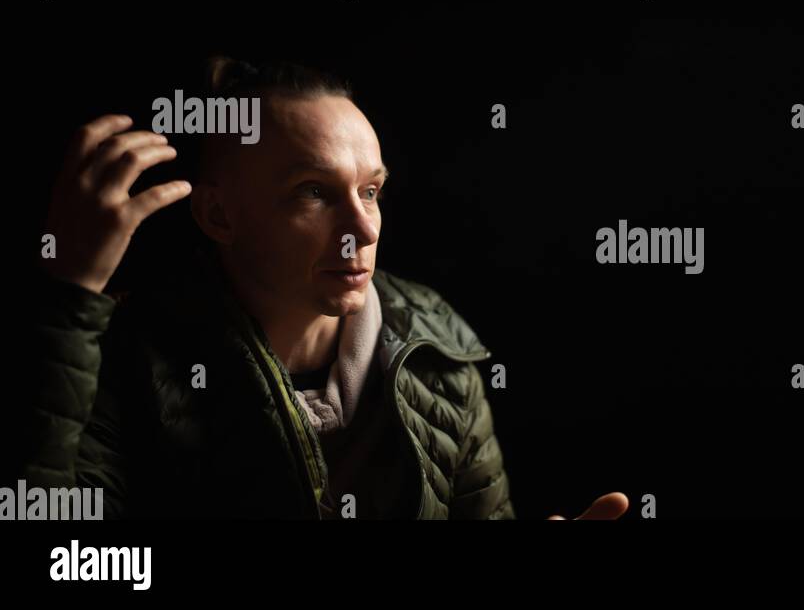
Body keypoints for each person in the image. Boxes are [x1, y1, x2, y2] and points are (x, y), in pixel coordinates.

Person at [28, 57, 627, 520]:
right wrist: (72, 295)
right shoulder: (131, 362)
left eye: (370, 191)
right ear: (217, 215)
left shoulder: (435, 347)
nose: (363, 228)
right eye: (313, 192)